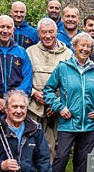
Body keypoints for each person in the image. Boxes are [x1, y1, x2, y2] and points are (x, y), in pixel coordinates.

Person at [44, 32, 94, 172]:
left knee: (83, 159)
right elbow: (48, 90)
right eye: (82, 45)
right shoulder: (63, 67)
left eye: (89, 47)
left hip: (89, 123)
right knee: (61, 157)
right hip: (68, 121)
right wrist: (59, 107)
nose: (85, 49)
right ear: (74, 46)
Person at [26, 18, 73, 160]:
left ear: (57, 32)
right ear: (38, 33)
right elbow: (24, 79)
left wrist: (56, 103)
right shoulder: (30, 52)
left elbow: (71, 83)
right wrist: (34, 93)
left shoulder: (68, 54)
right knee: (30, 144)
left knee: (51, 146)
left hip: (56, 110)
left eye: (51, 32)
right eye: (43, 32)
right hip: (34, 108)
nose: (47, 36)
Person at [0, 15, 34, 127]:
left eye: (9, 27)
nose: (5, 31)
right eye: (2, 27)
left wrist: (14, 100)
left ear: (13, 30)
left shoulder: (21, 52)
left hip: (16, 107)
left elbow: (27, 78)